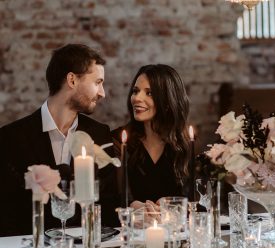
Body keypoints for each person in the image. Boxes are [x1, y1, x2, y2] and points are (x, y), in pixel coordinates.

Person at [0, 44, 119, 236]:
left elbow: (108, 204)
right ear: (72, 80)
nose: (102, 92)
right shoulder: (11, 137)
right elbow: (5, 212)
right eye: (97, 82)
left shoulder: (100, 134)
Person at [112, 64, 192, 209]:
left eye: (149, 93)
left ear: (168, 101)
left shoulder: (184, 145)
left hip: (172, 229)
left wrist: (173, 205)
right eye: (135, 91)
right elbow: (111, 198)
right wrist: (132, 207)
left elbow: (194, 200)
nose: (137, 98)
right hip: (131, 229)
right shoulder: (119, 140)